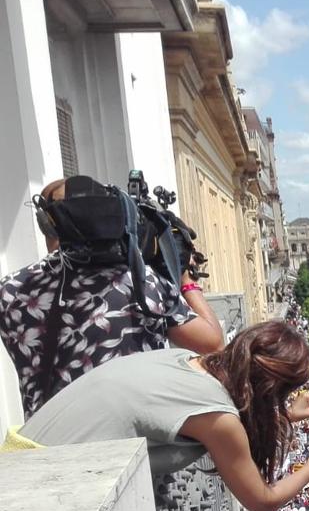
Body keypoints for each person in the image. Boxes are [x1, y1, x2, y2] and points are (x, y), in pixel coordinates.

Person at [6, 321, 309, 511]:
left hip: (18, 463)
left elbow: (206, 413)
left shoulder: (188, 360)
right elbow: (261, 500)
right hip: (39, 499)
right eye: (283, 393)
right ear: (269, 387)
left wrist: (286, 413)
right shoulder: (219, 417)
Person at [0, 176, 225, 417]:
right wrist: (185, 281)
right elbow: (212, 343)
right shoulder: (141, 284)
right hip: (133, 444)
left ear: (47, 224)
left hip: (50, 443)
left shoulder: (10, 290)